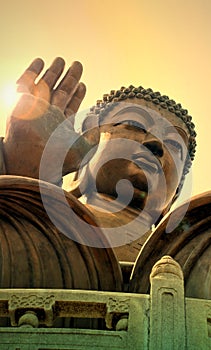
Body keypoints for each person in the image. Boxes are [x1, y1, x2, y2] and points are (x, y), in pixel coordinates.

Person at [0, 57, 196, 262]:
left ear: (175, 195)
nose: (155, 143)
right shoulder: (46, 226)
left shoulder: (192, 258)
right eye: (132, 124)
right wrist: (18, 179)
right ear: (91, 142)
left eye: (174, 145)